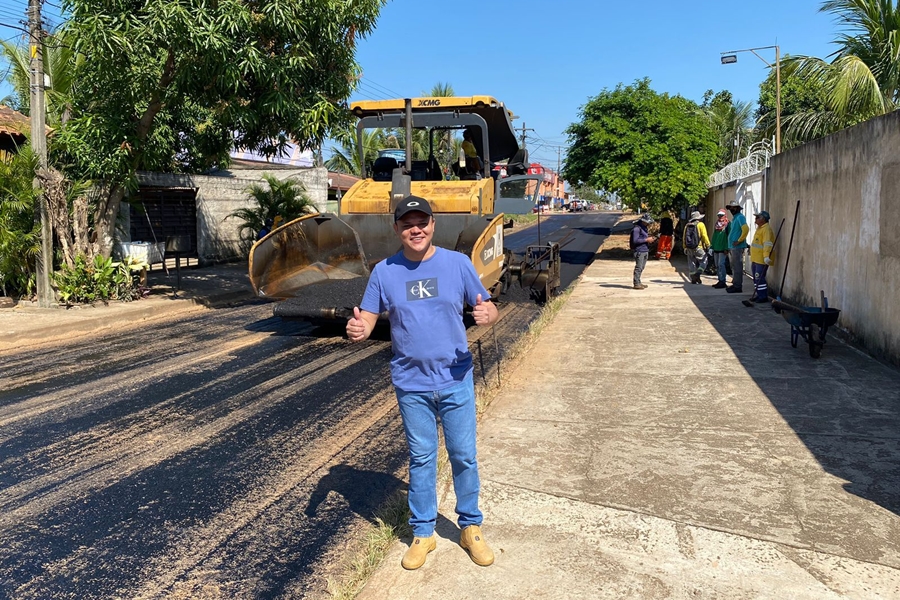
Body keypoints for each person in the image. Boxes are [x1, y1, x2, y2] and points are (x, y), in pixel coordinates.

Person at [346, 195, 499, 570]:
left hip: (455, 378)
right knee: (422, 457)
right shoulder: (384, 271)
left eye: (423, 222)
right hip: (411, 383)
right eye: (408, 223)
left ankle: (470, 527)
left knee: (463, 454)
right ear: (397, 229)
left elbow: (489, 305)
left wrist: (487, 313)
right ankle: (423, 532)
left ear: (433, 225)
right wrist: (358, 328)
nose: (416, 229)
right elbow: (366, 317)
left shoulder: (457, 264)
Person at [748, 210, 775, 303]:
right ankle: (759, 294)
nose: (755, 219)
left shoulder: (766, 229)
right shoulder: (760, 228)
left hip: (761, 259)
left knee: (759, 278)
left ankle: (763, 296)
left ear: (763, 219)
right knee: (756, 278)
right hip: (756, 258)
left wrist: (766, 256)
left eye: (757, 217)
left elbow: (767, 244)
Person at [725, 199, 749, 293]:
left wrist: (739, 241)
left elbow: (746, 229)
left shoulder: (740, 217)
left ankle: (738, 286)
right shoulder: (736, 217)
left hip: (737, 247)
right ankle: (735, 284)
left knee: (738, 267)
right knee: (734, 267)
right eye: (730, 208)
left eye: (733, 207)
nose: (731, 209)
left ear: (737, 208)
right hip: (733, 246)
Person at [683, 210, 710, 284]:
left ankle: (693, 279)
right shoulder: (701, 224)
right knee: (704, 261)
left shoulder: (687, 225)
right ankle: (698, 274)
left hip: (689, 248)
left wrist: (684, 247)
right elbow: (704, 236)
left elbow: (684, 237)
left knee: (691, 263)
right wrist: (708, 245)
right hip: (698, 247)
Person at [630, 213, 656, 289]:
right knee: (639, 267)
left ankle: (638, 282)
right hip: (639, 251)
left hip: (645, 249)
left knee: (642, 267)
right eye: (647, 222)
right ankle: (636, 283)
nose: (648, 224)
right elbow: (635, 241)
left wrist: (649, 239)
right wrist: (646, 240)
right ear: (643, 221)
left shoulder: (644, 228)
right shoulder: (637, 229)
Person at [709, 209, 731, 288]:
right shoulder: (717, 224)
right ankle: (720, 280)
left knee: (721, 264)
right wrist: (712, 246)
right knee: (717, 265)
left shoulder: (728, 224)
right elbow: (714, 236)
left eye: (721, 215)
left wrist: (727, 247)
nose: (720, 217)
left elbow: (729, 237)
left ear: (725, 215)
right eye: (719, 215)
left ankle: (723, 281)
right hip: (716, 248)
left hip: (723, 248)